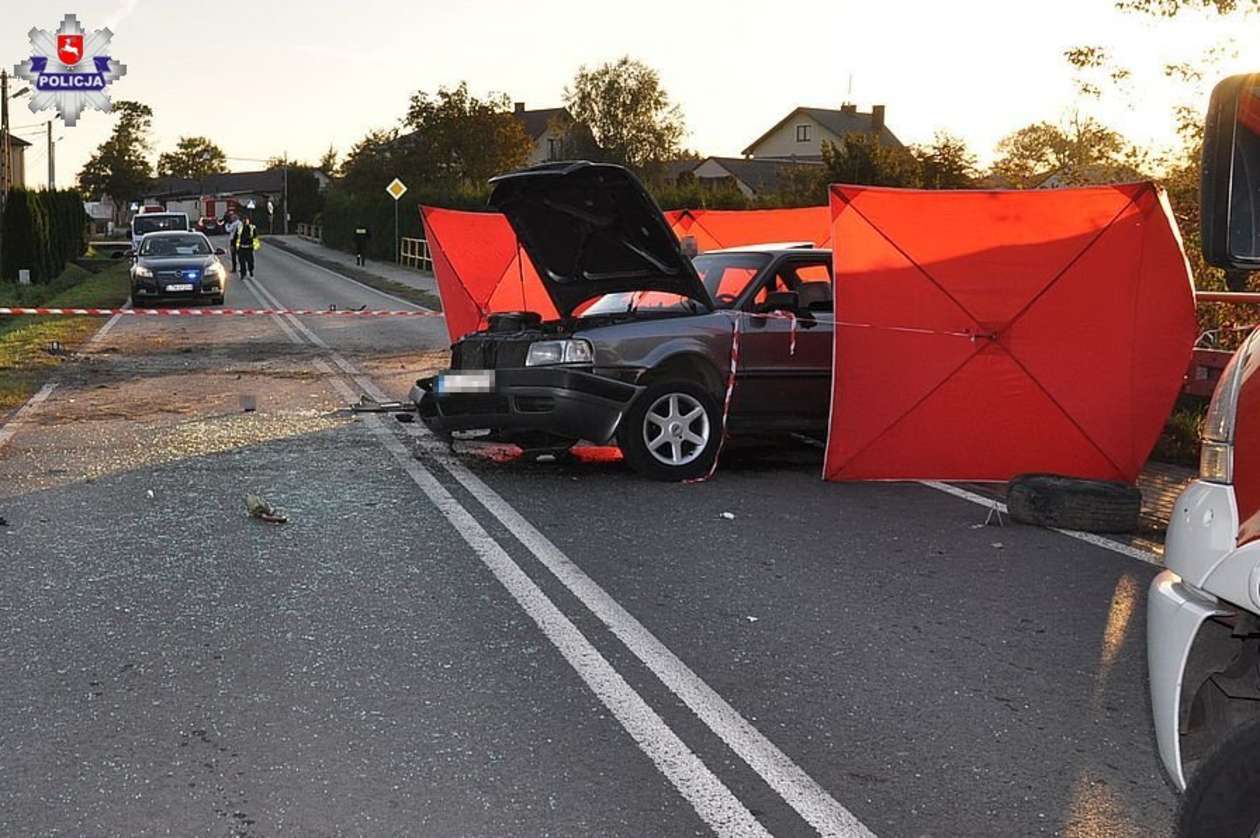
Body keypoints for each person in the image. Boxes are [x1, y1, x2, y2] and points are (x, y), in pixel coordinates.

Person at [236, 214, 258, 279]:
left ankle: (251, 270)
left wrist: (254, 245)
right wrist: (234, 246)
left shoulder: (252, 228)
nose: (245, 221)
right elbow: (236, 237)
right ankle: (243, 274)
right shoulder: (239, 228)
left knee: (250, 262)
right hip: (241, 248)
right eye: (243, 220)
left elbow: (255, 237)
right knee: (242, 262)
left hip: (249, 247)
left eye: (246, 220)